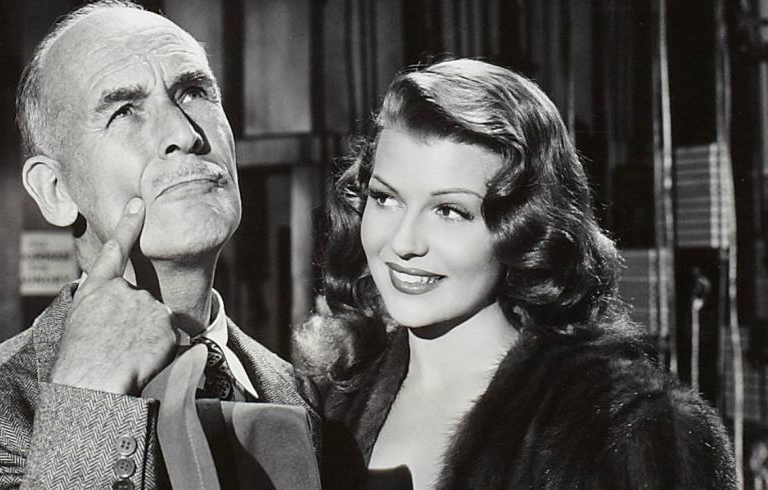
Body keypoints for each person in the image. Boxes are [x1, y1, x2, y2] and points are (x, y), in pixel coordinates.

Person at [0, 1, 317, 488]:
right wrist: (89, 398)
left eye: (194, 92)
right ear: (56, 191)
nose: (185, 134)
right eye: (124, 111)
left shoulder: (305, 398)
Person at [295, 58, 737, 489]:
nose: (404, 242)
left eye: (450, 211)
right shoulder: (329, 406)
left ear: (524, 227)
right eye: (386, 198)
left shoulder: (630, 430)